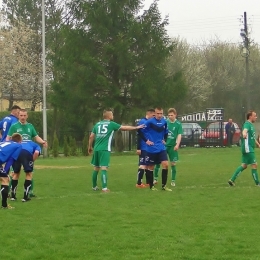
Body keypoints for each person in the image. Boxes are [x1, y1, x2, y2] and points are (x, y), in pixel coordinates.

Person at [88, 109, 145, 192]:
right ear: (109, 116)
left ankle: (94, 186)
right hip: (104, 149)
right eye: (112, 114)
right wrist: (136, 127)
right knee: (104, 168)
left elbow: (91, 136)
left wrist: (89, 146)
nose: (113, 116)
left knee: (96, 168)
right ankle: (104, 188)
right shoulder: (111, 124)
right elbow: (124, 128)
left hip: (96, 148)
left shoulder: (97, 124)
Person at [7, 109, 48, 197]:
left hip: (27, 154)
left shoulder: (30, 126)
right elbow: (8, 138)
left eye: (24, 115)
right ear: (18, 116)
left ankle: (29, 192)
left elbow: (36, 137)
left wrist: (43, 142)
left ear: (27, 116)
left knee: (29, 172)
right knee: (14, 173)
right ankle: (11, 193)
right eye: (21, 115)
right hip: (16, 153)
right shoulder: (14, 126)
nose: (23, 117)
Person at [142, 107, 171, 191]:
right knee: (151, 167)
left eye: (161, 113)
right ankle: (151, 186)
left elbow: (166, 132)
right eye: (158, 113)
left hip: (161, 147)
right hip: (152, 148)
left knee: (165, 164)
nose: (159, 115)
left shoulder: (164, 122)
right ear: (155, 113)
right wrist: (146, 141)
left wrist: (164, 140)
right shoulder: (150, 122)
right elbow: (140, 131)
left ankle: (164, 186)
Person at [228, 110, 260, 187]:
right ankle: (258, 183)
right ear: (250, 116)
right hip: (247, 148)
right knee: (254, 165)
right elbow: (244, 131)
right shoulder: (247, 124)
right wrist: (244, 134)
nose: (256, 117)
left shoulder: (251, 125)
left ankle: (232, 180)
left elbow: (252, 137)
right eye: (254, 115)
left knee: (244, 165)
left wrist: (258, 144)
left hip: (247, 148)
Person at [154, 108, 183, 187]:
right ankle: (155, 179)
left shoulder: (178, 124)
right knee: (158, 162)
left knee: (173, 163)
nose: (170, 116)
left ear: (175, 115)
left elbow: (179, 135)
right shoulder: (165, 122)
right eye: (169, 115)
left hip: (172, 147)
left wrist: (177, 145)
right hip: (163, 146)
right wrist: (161, 140)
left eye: (171, 115)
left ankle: (173, 180)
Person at [0, 105, 21, 194]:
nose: (19, 115)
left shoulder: (5, 119)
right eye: (19, 113)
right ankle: (9, 191)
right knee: (12, 169)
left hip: (2, 144)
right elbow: (15, 133)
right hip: (10, 145)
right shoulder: (14, 120)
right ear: (15, 112)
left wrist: (1, 138)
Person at [0, 133, 22, 209]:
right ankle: (4, 205)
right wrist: (5, 172)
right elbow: (11, 159)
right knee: (5, 180)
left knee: (4, 178)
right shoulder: (18, 145)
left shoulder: (4, 142)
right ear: (20, 141)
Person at [136, 109, 155, 188]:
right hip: (144, 147)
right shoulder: (143, 122)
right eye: (153, 115)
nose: (154, 117)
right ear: (149, 114)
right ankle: (139, 183)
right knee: (143, 165)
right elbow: (139, 135)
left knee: (148, 164)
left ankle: (148, 182)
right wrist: (138, 148)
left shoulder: (150, 122)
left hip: (149, 147)